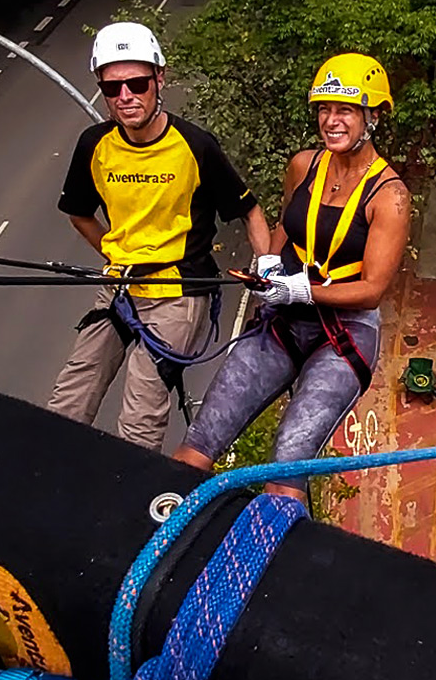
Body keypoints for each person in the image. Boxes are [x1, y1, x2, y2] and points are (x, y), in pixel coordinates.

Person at [174, 53, 411, 502]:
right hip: (284, 319)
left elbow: (373, 290)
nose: (331, 121)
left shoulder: (391, 197)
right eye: (324, 109)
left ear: (373, 116)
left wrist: (303, 289)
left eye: (345, 110)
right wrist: (267, 265)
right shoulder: (305, 165)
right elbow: (289, 228)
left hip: (343, 335)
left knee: (286, 472)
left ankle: (277, 557)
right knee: (198, 444)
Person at [47, 22, 271, 451]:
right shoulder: (94, 145)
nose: (126, 96)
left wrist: (266, 272)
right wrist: (117, 254)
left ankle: (130, 504)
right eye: (113, 88)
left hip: (180, 289)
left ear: (159, 80)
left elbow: (249, 210)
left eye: (137, 83)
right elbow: (79, 213)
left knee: (140, 414)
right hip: (121, 284)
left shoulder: (195, 145)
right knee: (68, 402)